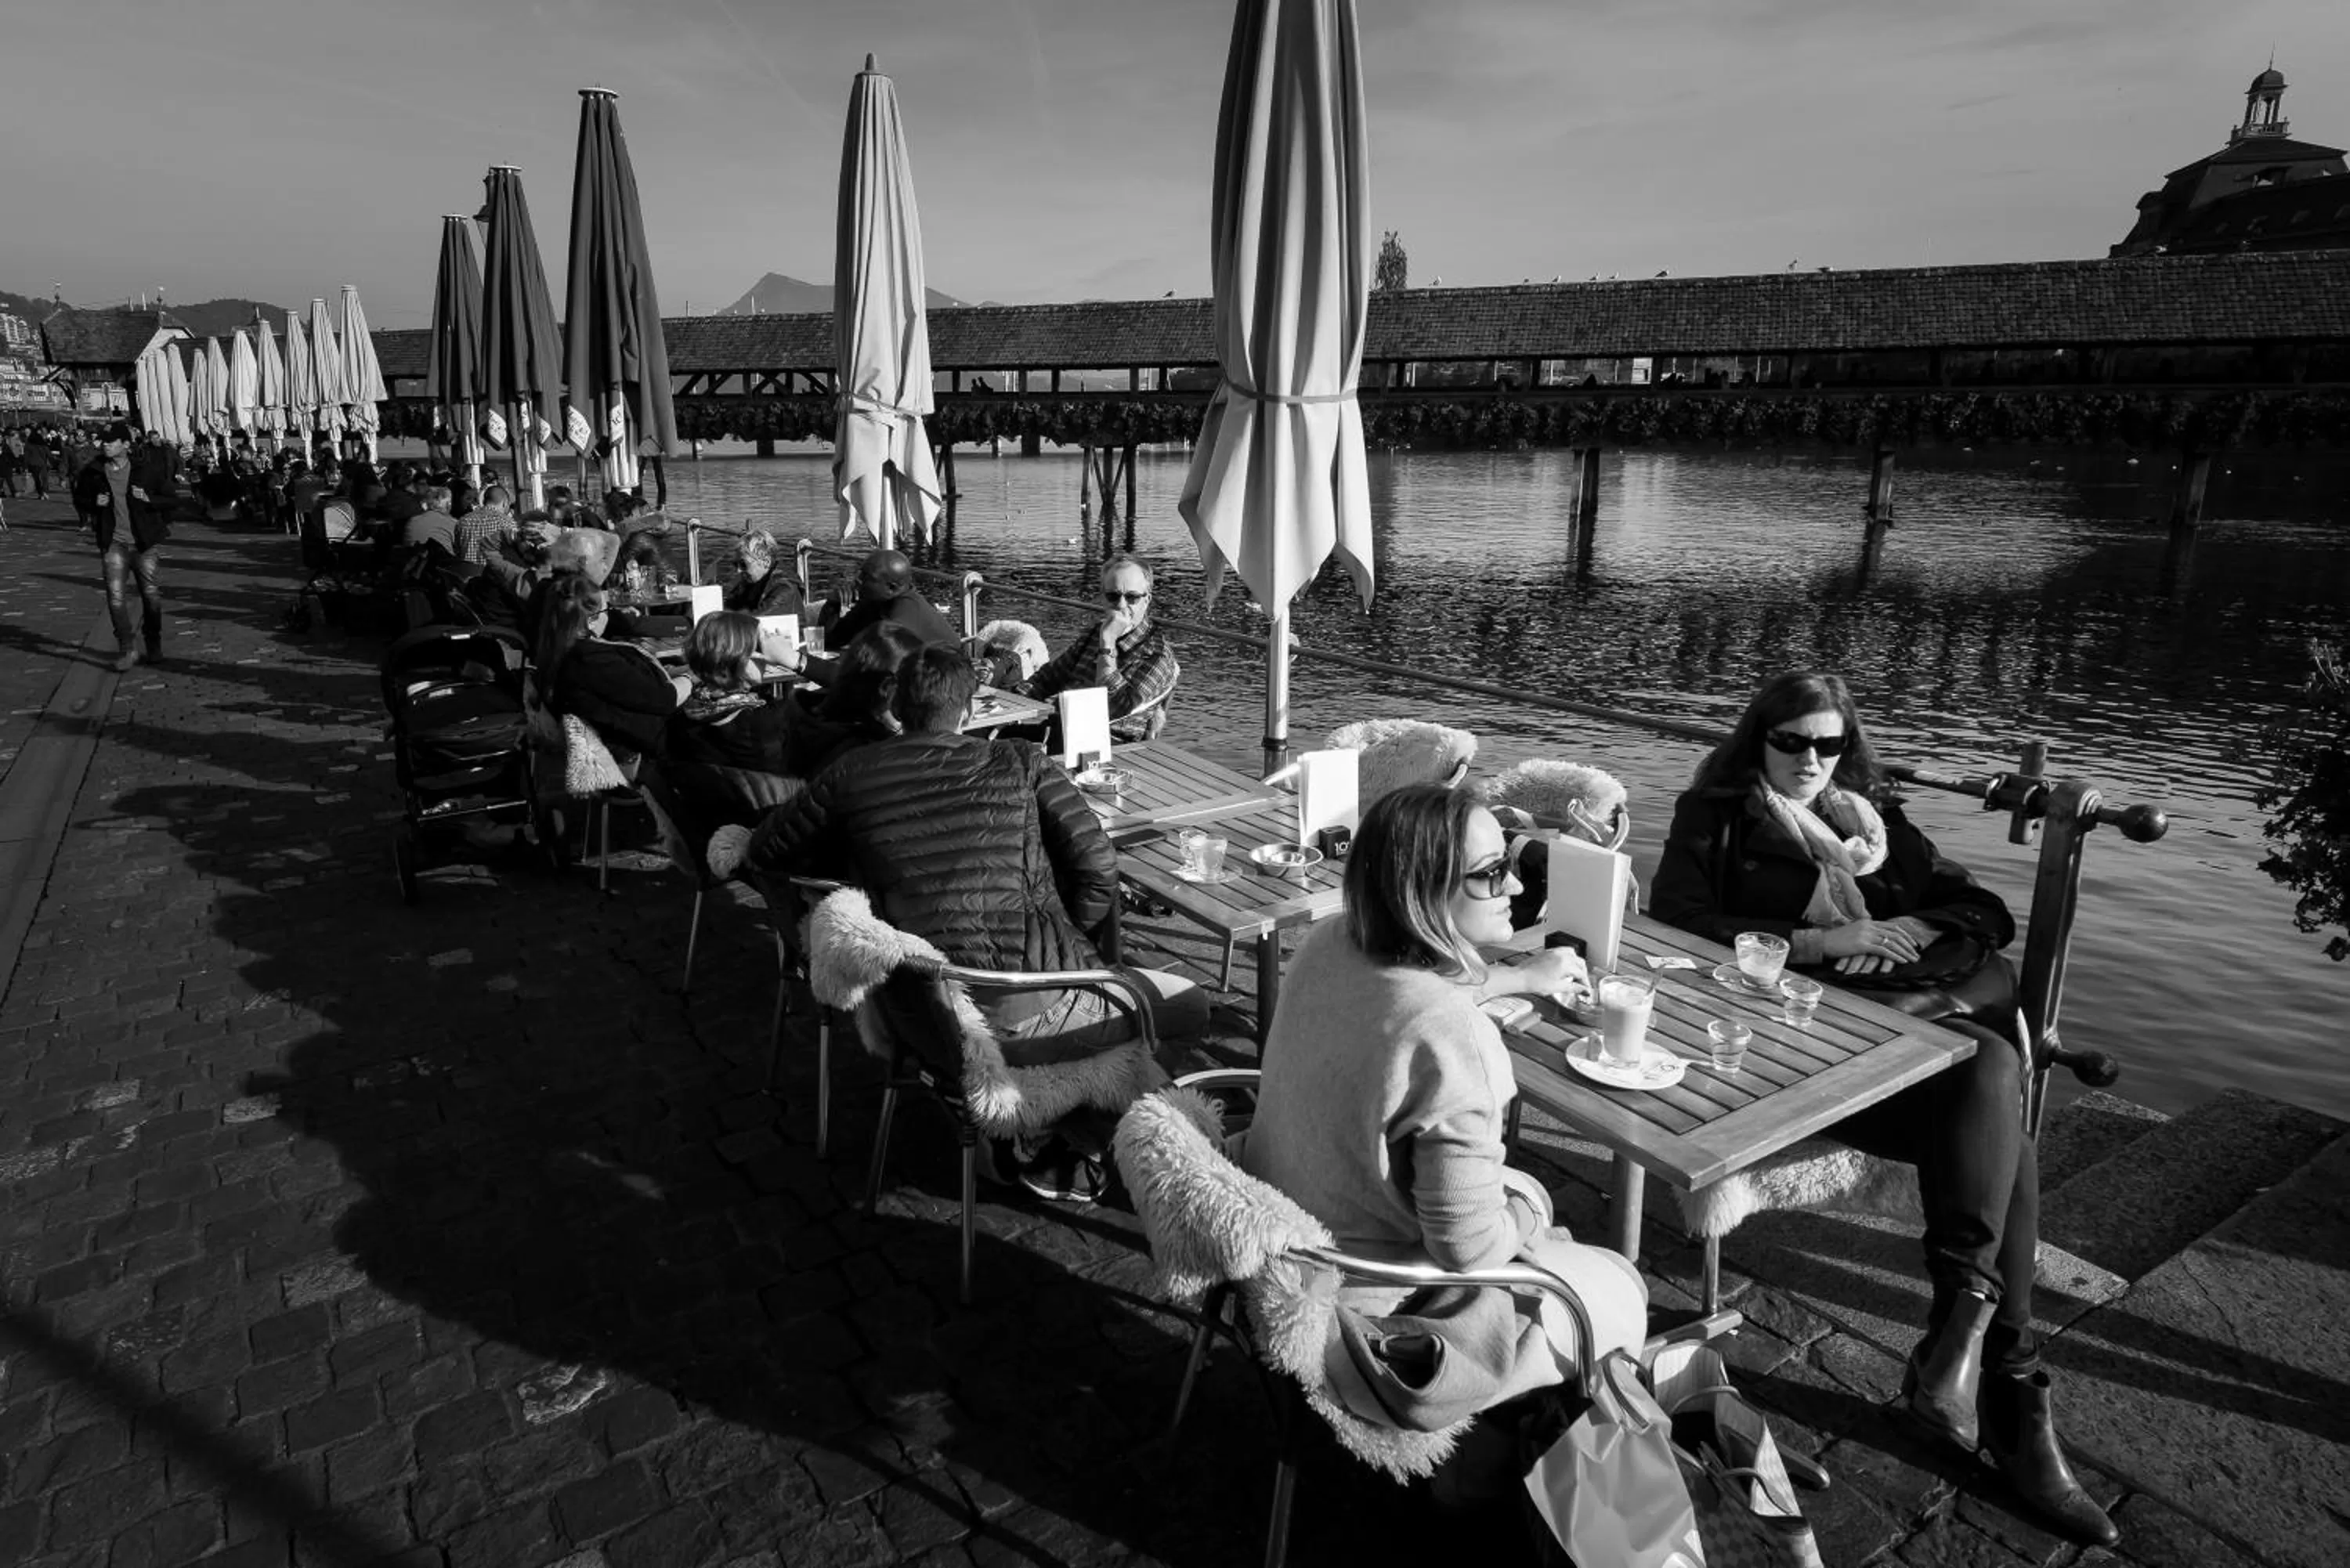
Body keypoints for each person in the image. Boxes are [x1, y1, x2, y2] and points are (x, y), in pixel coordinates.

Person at [1648, 671, 2117, 1548]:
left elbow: (1984, 912)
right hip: (1785, 1050)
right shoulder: (1712, 814)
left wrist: (1903, 935)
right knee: (2000, 1099)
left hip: (1898, 1044)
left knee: (1988, 1079)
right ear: (1760, 741)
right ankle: (2006, 1386)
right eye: (1792, 742)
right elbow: (1674, 923)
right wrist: (1827, 940)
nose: (1811, 761)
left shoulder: (1872, 823)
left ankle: (1971, 1351)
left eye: (1828, 744)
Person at [1237, 784, 1647, 1458]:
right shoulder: (1456, 1040)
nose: (1516, 882)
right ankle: (1540, 1472)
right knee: (1619, 1284)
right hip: (1374, 1307)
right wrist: (1531, 1209)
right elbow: (1468, 1251)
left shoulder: (1328, 942)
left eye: (1511, 861)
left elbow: (1411, 999)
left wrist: (1517, 978)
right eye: (1491, 874)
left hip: (1284, 1245)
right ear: (1423, 895)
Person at [734, 644, 1208, 1194]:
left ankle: (1048, 1131)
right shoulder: (1018, 760)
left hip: (923, 1015)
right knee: (1191, 1006)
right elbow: (1099, 866)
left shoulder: (850, 773)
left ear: (895, 703)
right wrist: (1068, 939)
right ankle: (1080, 1132)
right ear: (967, 710)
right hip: (1036, 1003)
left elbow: (766, 850)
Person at [1018, 554, 1180, 742]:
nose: (1121, 605)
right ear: (1102, 598)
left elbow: (1113, 708)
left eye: (1132, 597)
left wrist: (1107, 644)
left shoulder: (1156, 654)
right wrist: (1012, 704)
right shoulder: (1095, 633)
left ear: (1147, 600)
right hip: (1061, 729)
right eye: (1113, 596)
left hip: (1111, 744)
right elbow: (1048, 678)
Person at [532, 573, 689, 764]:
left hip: (619, 737)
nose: (611, 614)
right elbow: (666, 698)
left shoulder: (562, 650)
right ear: (591, 621)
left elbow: (632, 685)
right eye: (607, 609)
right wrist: (692, 676)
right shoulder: (592, 660)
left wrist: (675, 671)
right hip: (645, 742)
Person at [73, 423, 179, 672]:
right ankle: (127, 649)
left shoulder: (146, 470)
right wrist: (94, 504)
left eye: (111, 442)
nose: (106, 445)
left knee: (151, 597)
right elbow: (79, 499)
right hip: (114, 543)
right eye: (104, 442)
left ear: (126, 445)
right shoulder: (95, 472)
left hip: (144, 544)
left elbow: (173, 498)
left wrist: (149, 500)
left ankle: (153, 644)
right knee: (116, 598)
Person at [826, 547, 958, 649]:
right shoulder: (875, 602)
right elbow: (833, 640)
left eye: (866, 578)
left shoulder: (904, 615)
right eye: (860, 574)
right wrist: (833, 604)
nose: (857, 580)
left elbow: (880, 665)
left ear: (892, 588)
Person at [721, 528, 806, 619]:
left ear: (765, 561)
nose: (738, 570)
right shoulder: (748, 582)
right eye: (735, 564)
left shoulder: (785, 588)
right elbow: (727, 607)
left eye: (743, 564)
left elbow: (757, 620)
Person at [400, 484, 460, 558]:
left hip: (413, 565)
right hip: (442, 566)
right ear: (448, 504)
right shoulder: (453, 523)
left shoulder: (412, 520)